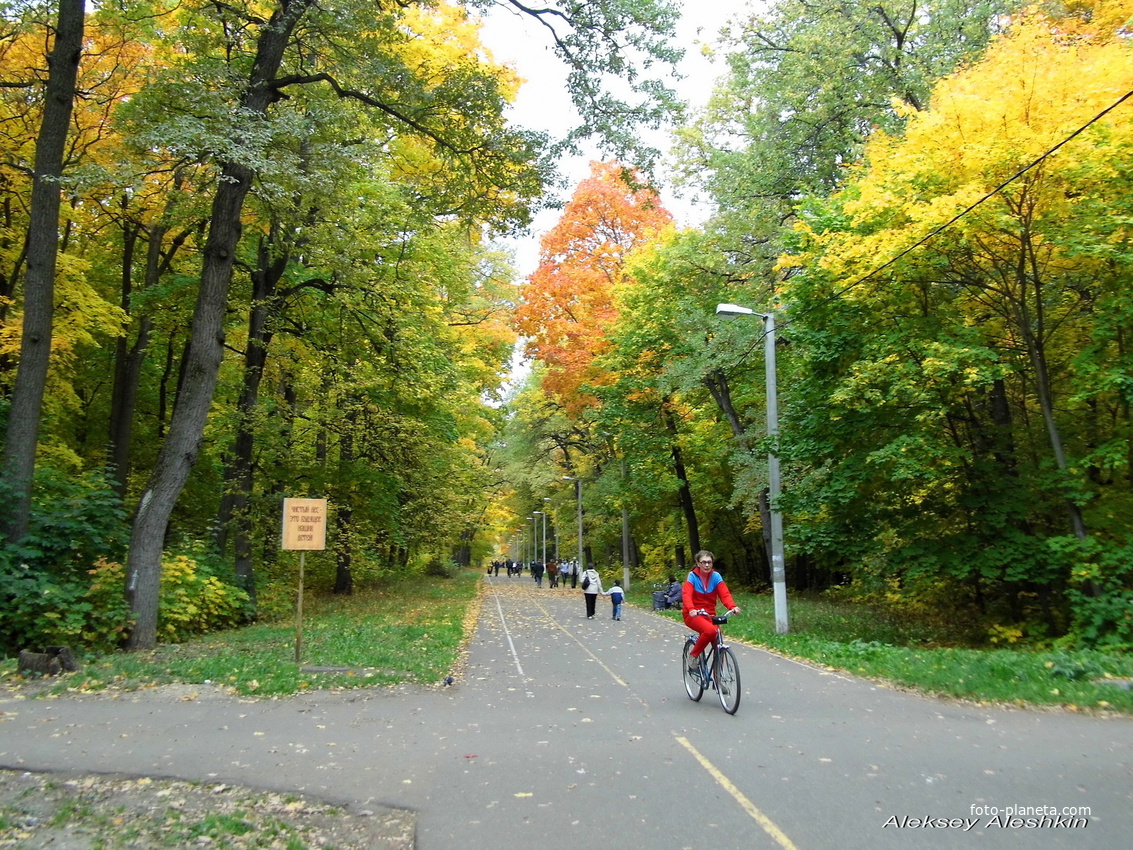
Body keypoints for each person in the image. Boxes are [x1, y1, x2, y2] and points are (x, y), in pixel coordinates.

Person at [683, 551, 740, 676]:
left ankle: (718, 678)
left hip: (709, 615)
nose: (707, 565)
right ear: (698, 563)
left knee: (718, 642)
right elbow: (687, 595)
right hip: (693, 614)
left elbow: (725, 594)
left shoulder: (716, 576)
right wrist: (691, 609)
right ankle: (693, 656)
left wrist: (732, 607)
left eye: (709, 562)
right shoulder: (692, 576)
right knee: (710, 631)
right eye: (704, 562)